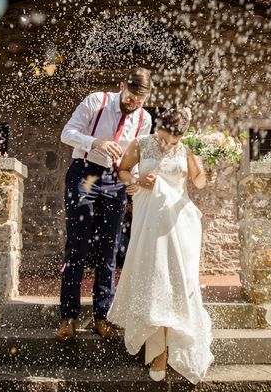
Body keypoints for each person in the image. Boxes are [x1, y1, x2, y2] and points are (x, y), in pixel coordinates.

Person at [108, 108, 214, 384]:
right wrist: (138, 180)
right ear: (159, 127)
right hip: (149, 223)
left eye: (173, 141)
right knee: (155, 280)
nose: (167, 145)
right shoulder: (141, 144)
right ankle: (158, 351)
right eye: (164, 138)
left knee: (178, 283)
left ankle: (172, 348)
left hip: (180, 224)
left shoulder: (189, 150)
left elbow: (199, 183)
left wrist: (207, 171)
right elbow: (122, 172)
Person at [56, 67, 153, 341]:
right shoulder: (96, 101)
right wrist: (96, 143)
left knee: (109, 249)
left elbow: (136, 155)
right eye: (131, 97)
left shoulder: (144, 119)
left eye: (140, 100)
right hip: (85, 175)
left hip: (115, 181)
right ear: (122, 86)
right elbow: (67, 133)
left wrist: (133, 178)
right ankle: (68, 317)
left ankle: (102, 316)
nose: (133, 104)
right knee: (77, 245)